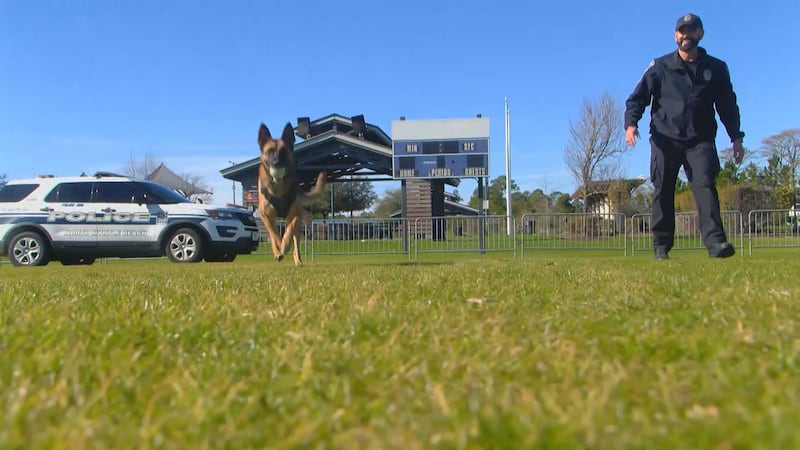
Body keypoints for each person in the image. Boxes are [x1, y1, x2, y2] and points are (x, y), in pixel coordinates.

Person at [624, 13, 745, 260]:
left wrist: (736, 137)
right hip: (664, 139)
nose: (685, 35)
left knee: (705, 187)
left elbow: (727, 105)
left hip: (699, 140)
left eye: (690, 31)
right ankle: (661, 246)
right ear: (675, 35)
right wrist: (631, 124)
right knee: (663, 189)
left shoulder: (716, 69)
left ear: (700, 34)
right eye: (681, 31)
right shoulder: (659, 67)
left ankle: (716, 243)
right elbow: (636, 98)